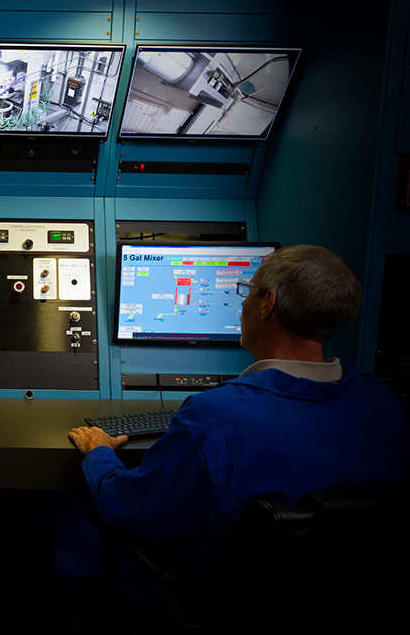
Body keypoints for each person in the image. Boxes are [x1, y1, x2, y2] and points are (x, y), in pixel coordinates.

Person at [66, 244, 408, 616]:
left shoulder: (215, 418)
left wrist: (99, 452)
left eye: (247, 291)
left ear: (267, 304)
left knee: (75, 513)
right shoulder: (386, 406)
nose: (242, 303)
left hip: (212, 602)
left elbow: (128, 507)